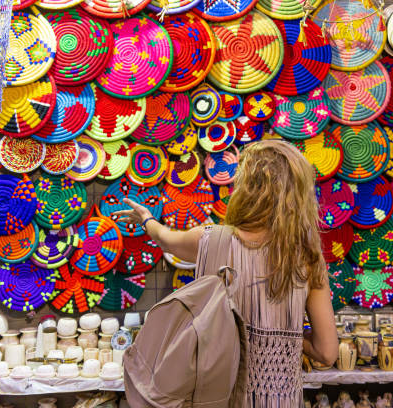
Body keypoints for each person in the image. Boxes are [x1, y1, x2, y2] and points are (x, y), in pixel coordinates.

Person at [115, 140, 338, 407]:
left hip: (218, 397)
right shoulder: (308, 259)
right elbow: (327, 352)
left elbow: (166, 239)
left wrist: (147, 219)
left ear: (245, 188)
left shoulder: (212, 241)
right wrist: (284, 337)